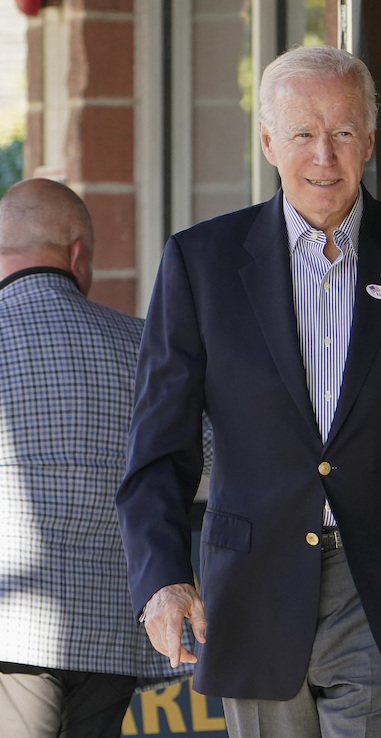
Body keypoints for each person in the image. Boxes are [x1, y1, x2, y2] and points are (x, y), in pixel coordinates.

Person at [116, 45, 381, 738]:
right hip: (252, 590)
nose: (324, 156)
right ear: (269, 141)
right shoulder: (200, 263)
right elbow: (159, 446)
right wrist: (162, 578)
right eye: (302, 133)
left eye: (342, 132)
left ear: (370, 138)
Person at [0, 178, 192, 737]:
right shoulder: (143, 347)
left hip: (9, 624)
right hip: (112, 628)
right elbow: (199, 464)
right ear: (78, 253)